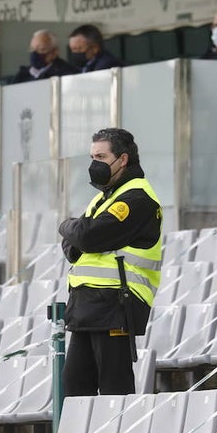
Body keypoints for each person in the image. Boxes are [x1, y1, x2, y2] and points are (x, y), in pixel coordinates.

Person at [58, 127, 163, 396]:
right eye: (92, 157)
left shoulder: (137, 198)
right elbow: (72, 248)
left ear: (123, 159)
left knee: (114, 388)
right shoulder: (103, 199)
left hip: (117, 302)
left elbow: (87, 236)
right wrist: (77, 231)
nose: (95, 164)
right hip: (86, 306)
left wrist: (67, 225)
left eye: (102, 157)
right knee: (74, 387)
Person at [11, 29, 79, 83]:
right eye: (32, 49)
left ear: (55, 52)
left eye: (41, 49)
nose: (35, 53)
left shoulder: (67, 74)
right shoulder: (23, 74)